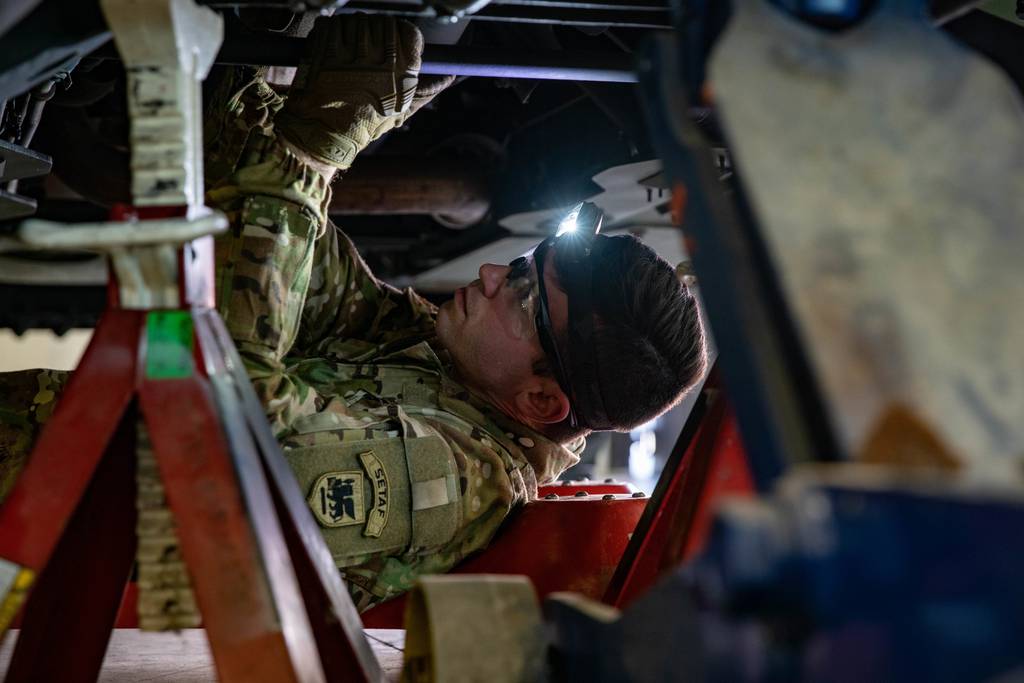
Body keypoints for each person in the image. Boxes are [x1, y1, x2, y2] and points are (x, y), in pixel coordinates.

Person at [0, 15, 706, 611]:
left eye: (522, 297)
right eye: (520, 265)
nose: (492, 275)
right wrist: (284, 78)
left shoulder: (450, 477)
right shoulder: (442, 364)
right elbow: (273, 243)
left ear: (541, 400)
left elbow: (212, 448)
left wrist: (314, 150)